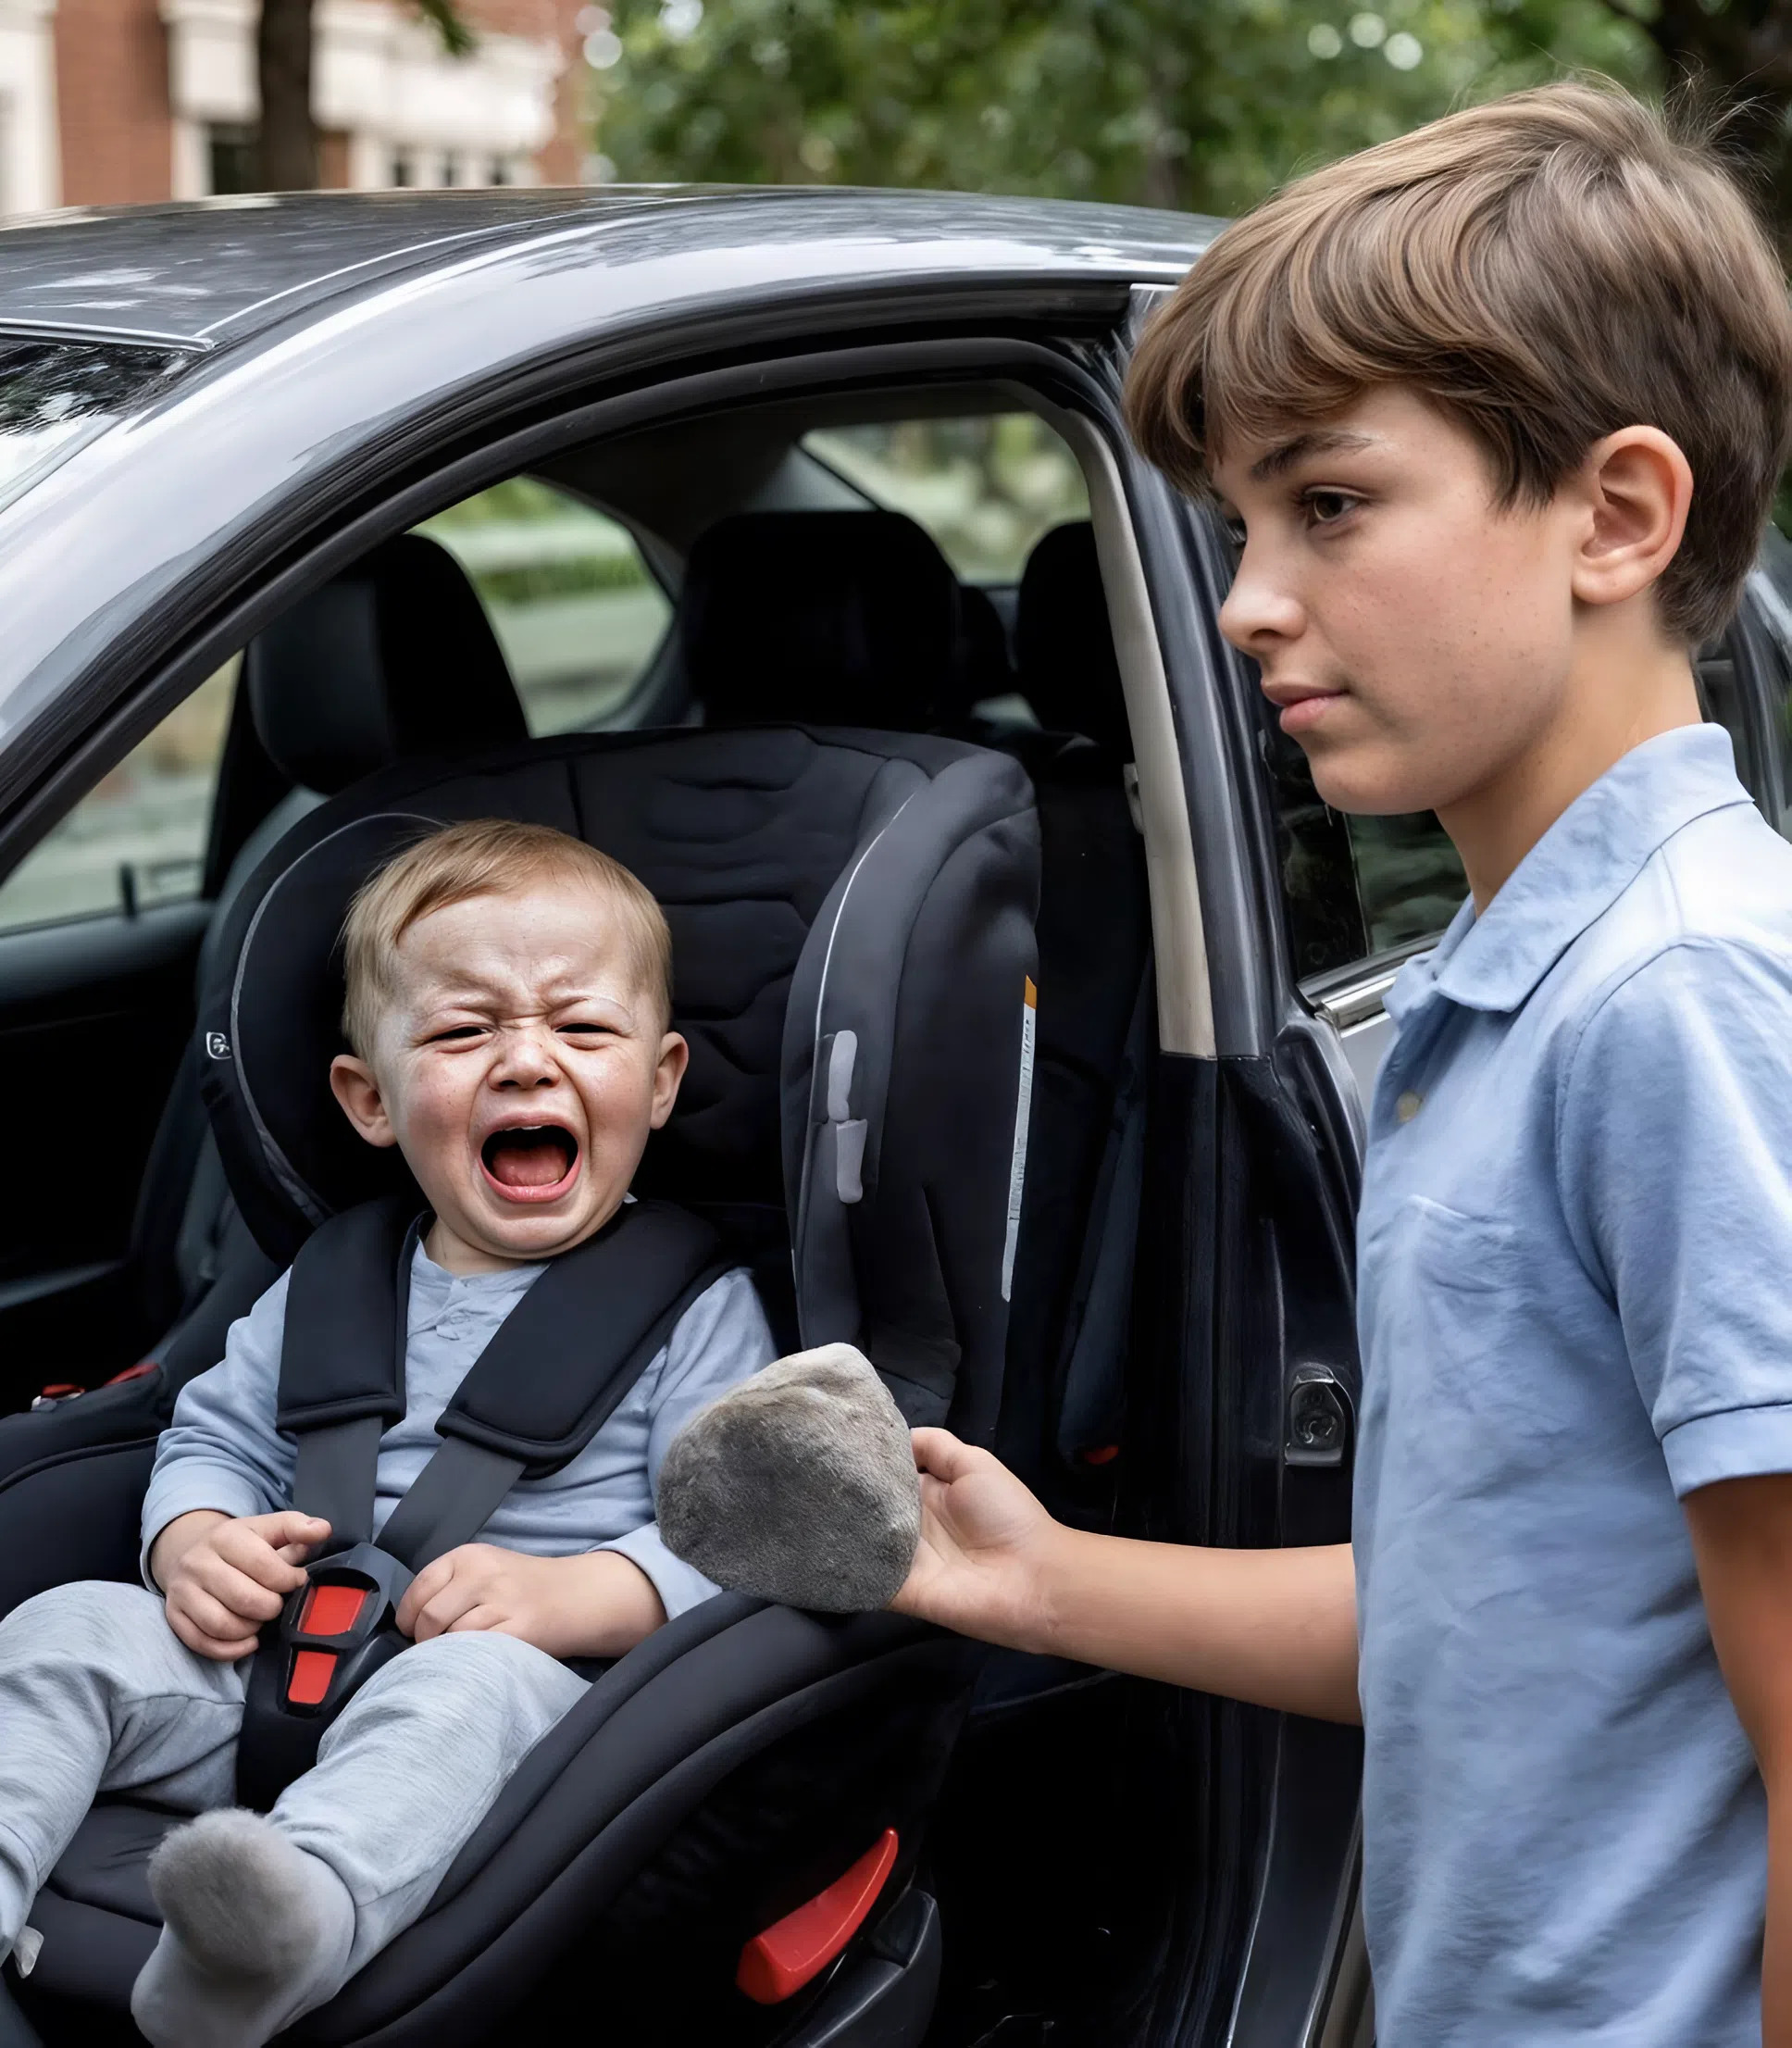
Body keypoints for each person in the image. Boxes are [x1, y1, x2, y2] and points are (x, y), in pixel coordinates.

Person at [891, 84, 1792, 2044]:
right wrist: (1040, 1580)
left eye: (1327, 504)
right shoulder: (1504, 989)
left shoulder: (1679, 1002)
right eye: (1235, 525)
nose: (1239, 603)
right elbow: (1486, 1621)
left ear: (1614, 515)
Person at [0, 818, 776, 2048]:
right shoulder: (336, 1275)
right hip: (275, 1659)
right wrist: (192, 1540)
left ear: (664, 1080)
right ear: (370, 1098)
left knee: (460, 1695)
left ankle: (279, 1927)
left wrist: (587, 1593)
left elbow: (743, 1532)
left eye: (581, 1029)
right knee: (62, 1627)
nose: (527, 1064)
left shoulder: (698, 1305)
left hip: (535, 1702)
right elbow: (214, 1438)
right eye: (465, 1032)